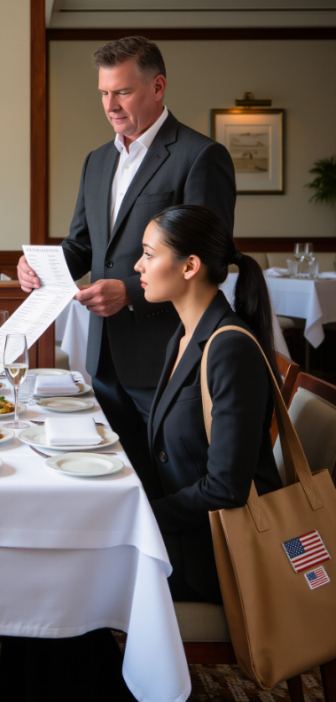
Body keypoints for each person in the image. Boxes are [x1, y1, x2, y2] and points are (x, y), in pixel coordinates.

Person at [17, 36, 236, 490]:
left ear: (157, 87)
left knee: (171, 486)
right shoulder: (97, 161)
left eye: (122, 92)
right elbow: (83, 244)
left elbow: (210, 258)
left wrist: (130, 293)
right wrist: (43, 266)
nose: (110, 105)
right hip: (103, 358)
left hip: (167, 353)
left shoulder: (200, 157)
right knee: (116, 480)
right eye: (103, 92)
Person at [135, 205, 283, 603]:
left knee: (73, 571)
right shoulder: (184, 337)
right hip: (187, 534)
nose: (138, 265)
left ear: (189, 266)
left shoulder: (229, 347)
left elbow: (225, 488)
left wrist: (144, 517)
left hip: (217, 555)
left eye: (149, 254)